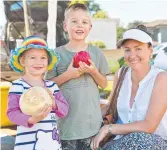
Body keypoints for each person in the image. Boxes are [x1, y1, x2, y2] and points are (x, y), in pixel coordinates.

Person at [90, 25, 167, 150]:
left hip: (153, 143)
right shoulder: (121, 74)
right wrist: (83, 117)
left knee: (137, 139)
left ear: (150, 51)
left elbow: (149, 126)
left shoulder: (161, 78)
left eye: (138, 49)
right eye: (127, 49)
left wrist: (108, 129)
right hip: (121, 141)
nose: (132, 55)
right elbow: (110, 107)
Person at [45, 3, 110, 150]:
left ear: (90, 27)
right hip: (66, 127)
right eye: (74, 21)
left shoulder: (96, 53)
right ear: (65, 26)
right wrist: (68, 75)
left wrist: (93, 71)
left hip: (92, 126)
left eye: (84, 22)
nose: (79, 25)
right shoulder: (56, 54)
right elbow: (47, 86)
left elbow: (105, 84)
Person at [7, 36, 69, 150]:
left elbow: (64, 110)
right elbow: (11, 113)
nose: (38, 62)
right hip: (27, 145)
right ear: (22, 61)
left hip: (52, 144)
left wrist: (53, 102)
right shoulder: (18, 86)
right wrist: (31, 120)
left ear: (48, 61)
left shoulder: (52, 86)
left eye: (43, 58)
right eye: (32, 57)